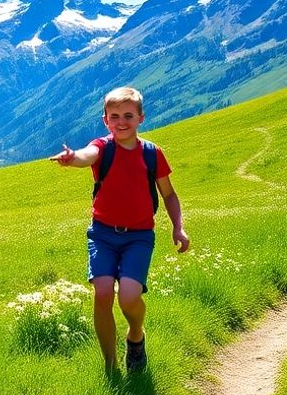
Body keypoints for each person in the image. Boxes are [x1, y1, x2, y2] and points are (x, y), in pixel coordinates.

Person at [49, 86, 189, 373]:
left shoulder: (152, 154)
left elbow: (169, 195)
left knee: (128, 297)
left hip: (138, 236)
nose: (121, 122)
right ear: (105, 121)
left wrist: (178, 227)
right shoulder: (103, 147)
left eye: (128, 115)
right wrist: (72, 158)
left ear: (141, 118)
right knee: (102, 293)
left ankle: (135, 335)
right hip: (102, 233)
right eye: (114, 116)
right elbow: (87, 155)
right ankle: (110, 366)